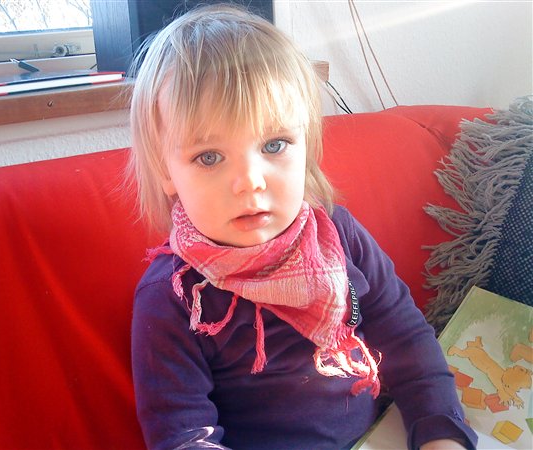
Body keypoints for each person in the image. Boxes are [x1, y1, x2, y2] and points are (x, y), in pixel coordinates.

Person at [128, 4, 477, 449]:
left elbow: (405, 336)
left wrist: (440, 430)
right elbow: (183, 435)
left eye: (275, 145)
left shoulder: (337, 233)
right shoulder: (172, 296)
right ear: (166, 172)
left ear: (307, 146)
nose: (250, 181)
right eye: (209, 157)